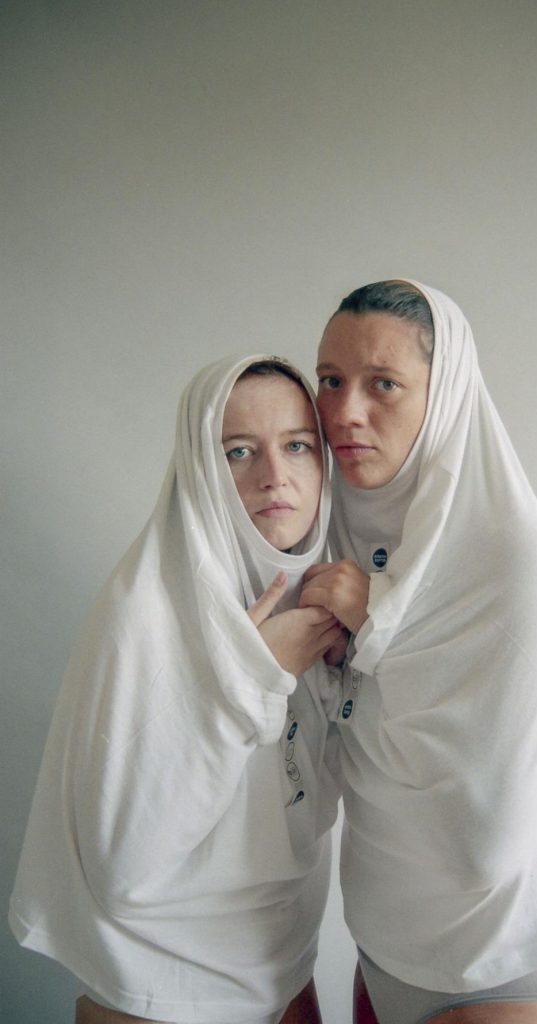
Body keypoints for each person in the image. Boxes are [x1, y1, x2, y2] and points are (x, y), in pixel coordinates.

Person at [300, 281, 537, 1024]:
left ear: (443, 395)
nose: (345, 412)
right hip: (384, 958)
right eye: (331, 380)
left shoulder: (522, 566)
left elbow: (485, 840)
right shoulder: (336, 543)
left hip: (514, 974)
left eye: (384, 384)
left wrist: (379, 625)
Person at [9, 355, 346, 1024]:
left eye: (297, 446)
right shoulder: (146, 612)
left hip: (282, 967)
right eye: (238, 451)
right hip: (162, 990)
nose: (274, 476)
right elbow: (125, 859)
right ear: (199, 467)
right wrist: (254, 677)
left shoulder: (320, 600)